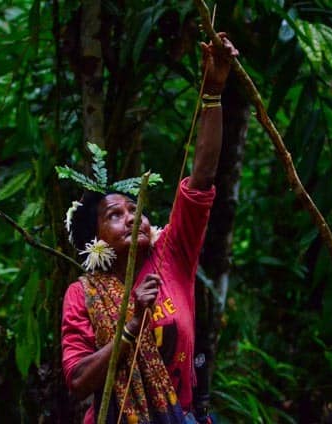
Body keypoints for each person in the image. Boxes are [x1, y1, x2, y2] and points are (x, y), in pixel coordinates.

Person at [61, 33, 239, 423]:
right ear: (95, 241)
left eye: (135, 210)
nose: (132, 218)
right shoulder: (83, 295)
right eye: (115, 215)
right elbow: (77, 381)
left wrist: (213, 91)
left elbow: (203, 177)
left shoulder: (171, 254)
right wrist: (130, 325)